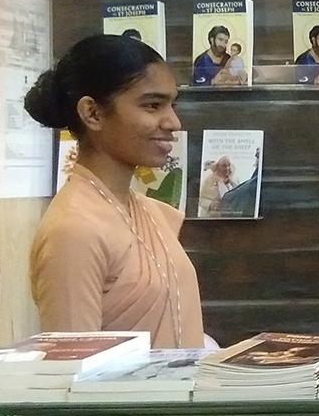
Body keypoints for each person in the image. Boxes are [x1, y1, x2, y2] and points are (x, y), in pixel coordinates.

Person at [25, 34, 204, 348]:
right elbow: (73, 372)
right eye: (152, 105)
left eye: (172, 105)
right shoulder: (72, 230)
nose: (173, 122)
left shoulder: (147, 211)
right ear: (92, 113)